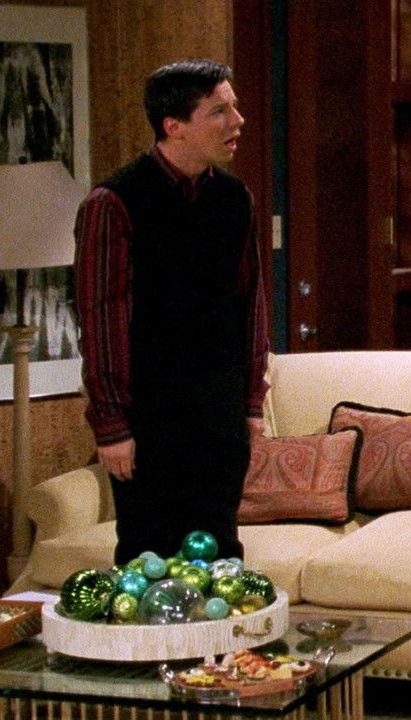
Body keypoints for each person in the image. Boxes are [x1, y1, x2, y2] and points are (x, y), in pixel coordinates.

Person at [73, 59, 269, 565]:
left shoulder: (234, 198)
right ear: (173, 125)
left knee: (221, 556)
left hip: (220, 409)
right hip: (151, 414)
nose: (238, 121)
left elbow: (249, 304)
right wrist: (111, 424)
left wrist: (252, 402)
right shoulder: (114, 202)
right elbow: (101, 319)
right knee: (149, 559)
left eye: (234, 107)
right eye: (219, 111)